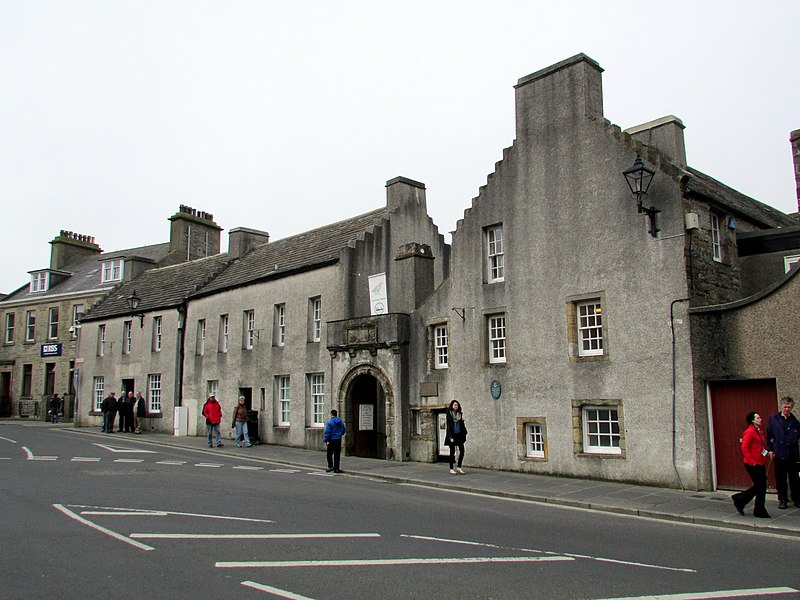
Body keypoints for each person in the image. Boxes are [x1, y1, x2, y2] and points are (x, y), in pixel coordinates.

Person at [731, 411, 771, 518]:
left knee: (760, 486)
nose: (760, 419)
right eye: (758, 418)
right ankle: (758, 509)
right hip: (752, 464)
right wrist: (751, 461)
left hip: (760, 462)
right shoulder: (749, 432)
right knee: (761, 486)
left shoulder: (759, 432)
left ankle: (740, 500)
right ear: (752, 420)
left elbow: (760, 447)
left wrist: (767, 453)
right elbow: (744, 447)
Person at [767, 396, 800, 509]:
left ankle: (796, 499)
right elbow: (769, 436)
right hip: (779, 454)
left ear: (791, 408)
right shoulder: (774, 419)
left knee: (795, 478)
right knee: (780, 478)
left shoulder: (795, 422)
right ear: (782, 407)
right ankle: (782, 499)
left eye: (789, 407)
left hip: (793, 455)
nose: (786, 409)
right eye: (785, 407)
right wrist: (771, 449)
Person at [445, 400, 467, 475]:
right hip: (452, 435)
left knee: (462, 450)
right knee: (452, 452)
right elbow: (448, 426)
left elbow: (462, 425)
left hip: (459, 435)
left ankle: (459, 467)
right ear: (452, 406)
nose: (456, 406)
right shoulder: (449, 414)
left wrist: (462, 420)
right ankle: (451, 468)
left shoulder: (460, 414)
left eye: (457, 405)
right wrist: (450, 437)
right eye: (454, 405)